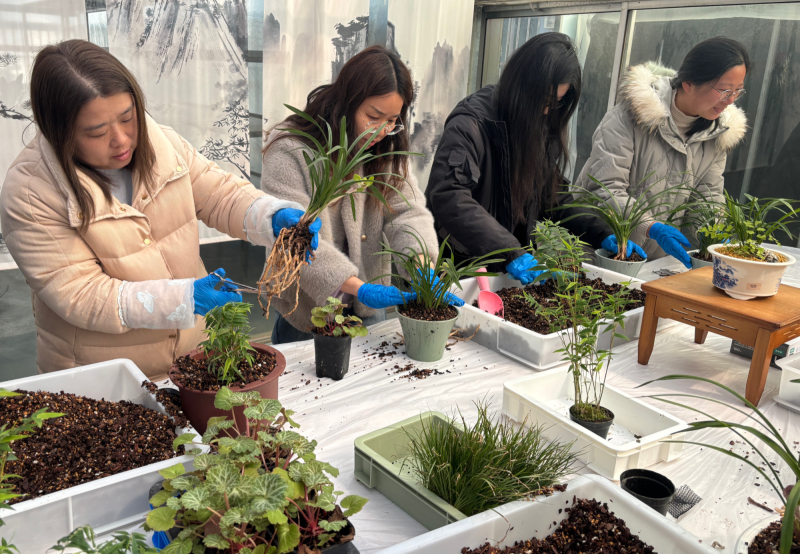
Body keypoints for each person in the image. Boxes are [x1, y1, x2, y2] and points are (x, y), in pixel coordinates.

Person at [0, 40, 319, 379]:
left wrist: (269, 215)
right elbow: (80, 295)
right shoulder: (31, 191)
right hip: (105, 375)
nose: (121, 139)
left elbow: (219, 193)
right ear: (59, 132)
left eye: (128, 118)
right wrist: (183, 298)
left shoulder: (161, 142)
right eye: (97, 132)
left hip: (193, 356)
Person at [261, 45, 460, 344]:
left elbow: (407, 212)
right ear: (347, 101)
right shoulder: (291, 149)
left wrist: (422, 266)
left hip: (367, 310)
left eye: (392, 120)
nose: (382, 130)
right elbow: (296, 240)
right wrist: (359, 287)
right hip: (307, 315)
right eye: (373, 116)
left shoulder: (384, 149)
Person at [425, 33, 600, 285]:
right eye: (544, 101)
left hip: (505, 271)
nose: (547, 111)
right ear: (522, 85)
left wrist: (602, 232)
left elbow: (553, 198)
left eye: (556, 103)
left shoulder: (541, 125)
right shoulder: (471, 123)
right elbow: (450, 195)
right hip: (458, 269)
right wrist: (509, 250)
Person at [573, 37, 749, 267]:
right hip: (599, 253)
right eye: (724, 90)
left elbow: (708, 198)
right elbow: (605, 189)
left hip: (653, 262)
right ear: (689, 82)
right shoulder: (628, 117)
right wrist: (651, 227)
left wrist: (716, 235)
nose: (730, 100)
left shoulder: (717, 133)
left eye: (737, 91)